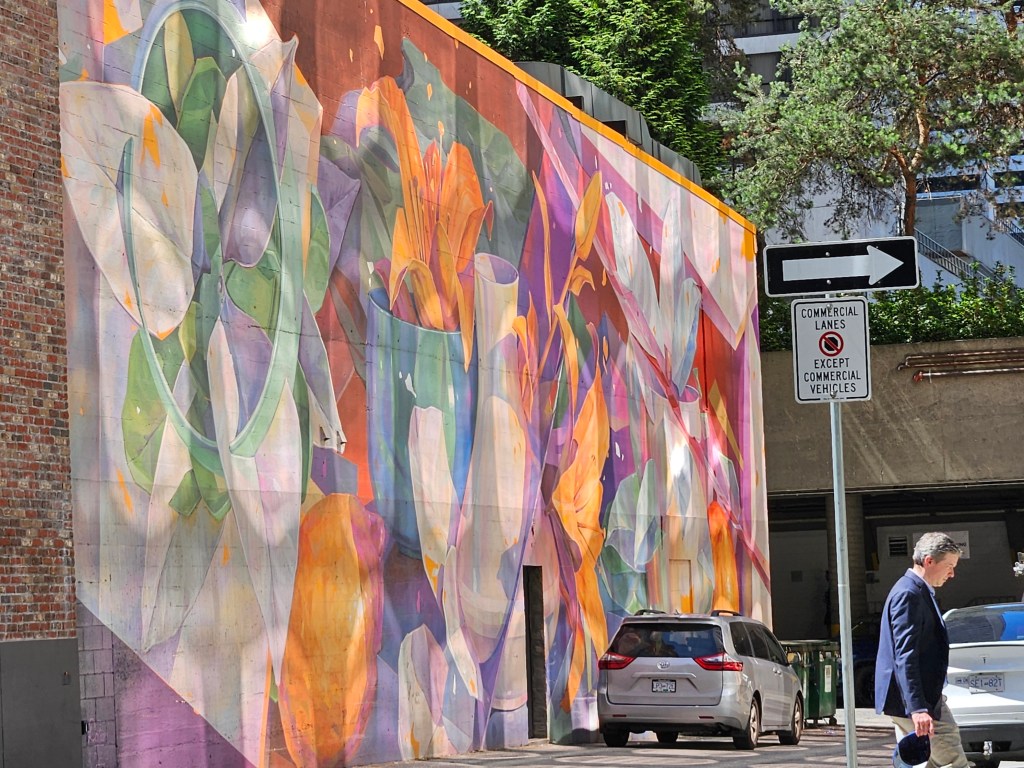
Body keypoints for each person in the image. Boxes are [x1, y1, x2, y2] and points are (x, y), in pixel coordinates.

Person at [875, 532, 969, 768]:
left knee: (930, 762)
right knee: (951, 759)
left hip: (920, 700)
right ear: (929, 561)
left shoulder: (916, 590)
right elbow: (905, 656)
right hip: (916, 702)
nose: (952, 574)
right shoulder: (909, 594)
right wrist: (917, 708)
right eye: (949, 566)